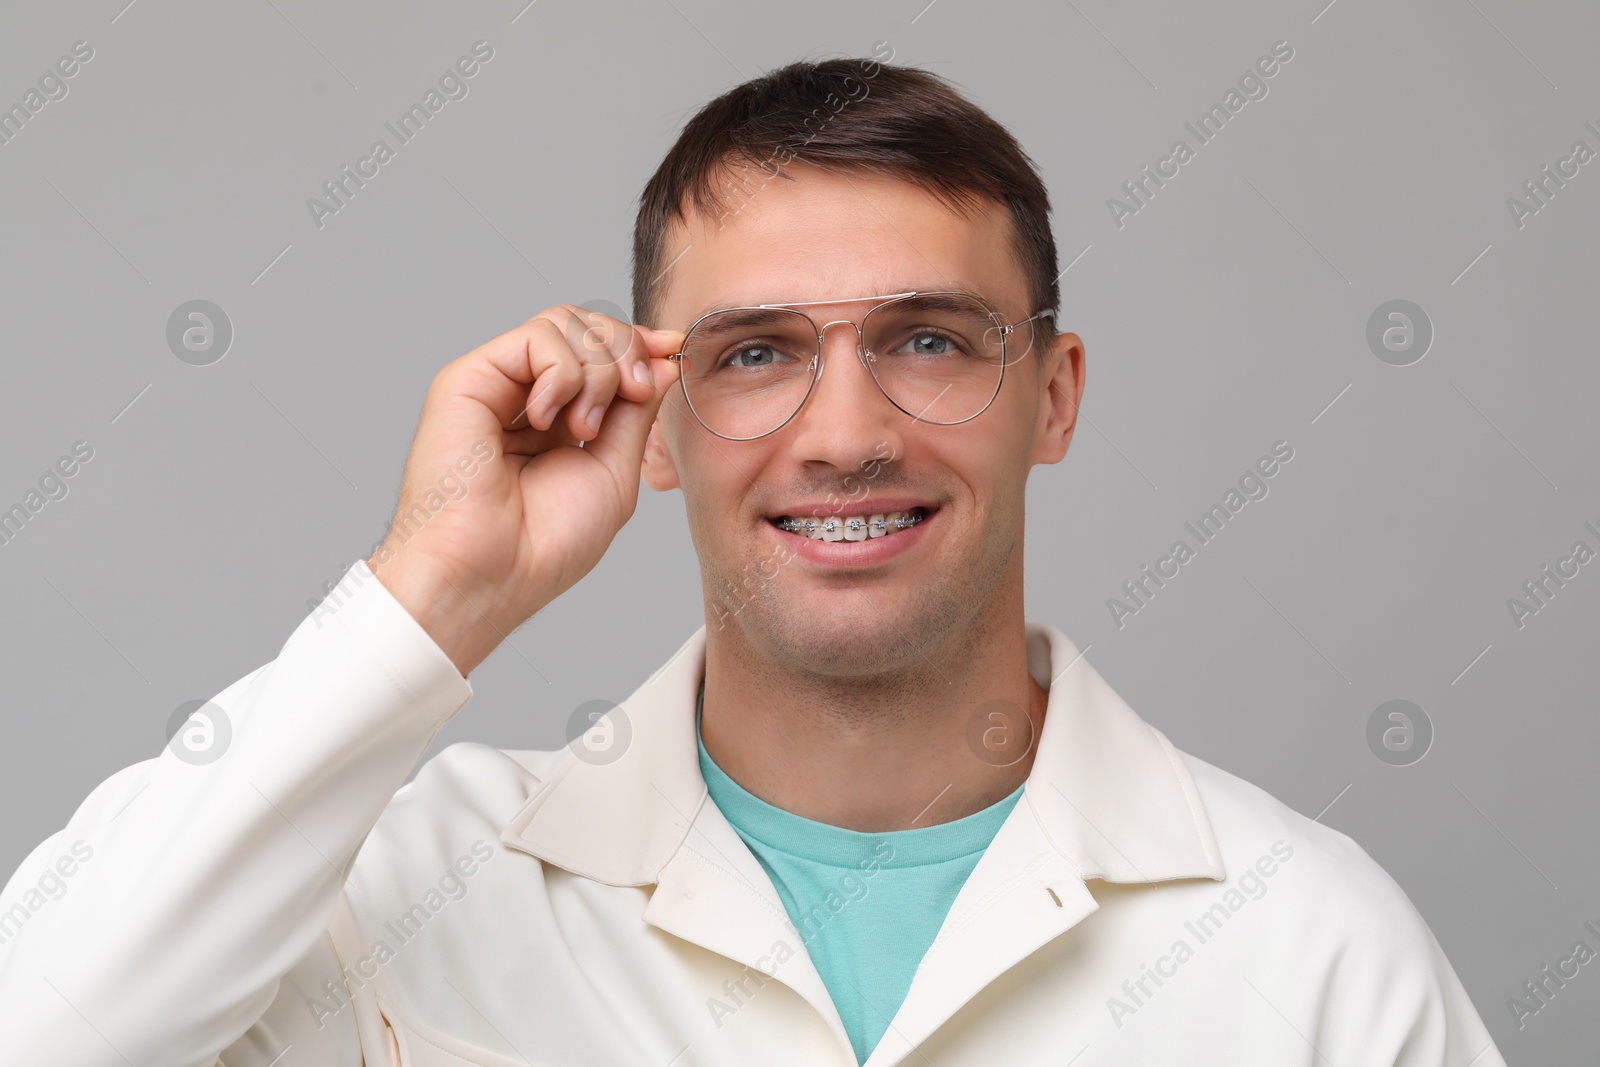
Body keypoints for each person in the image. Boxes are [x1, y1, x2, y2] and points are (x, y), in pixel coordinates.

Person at [0, 56, 1505, 1067]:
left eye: (927, 340)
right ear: (655, 424)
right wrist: (432, 590)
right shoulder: (415, 883)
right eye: (756, 353)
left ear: (1053, 396)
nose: (843, 434)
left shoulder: (1308, 946)